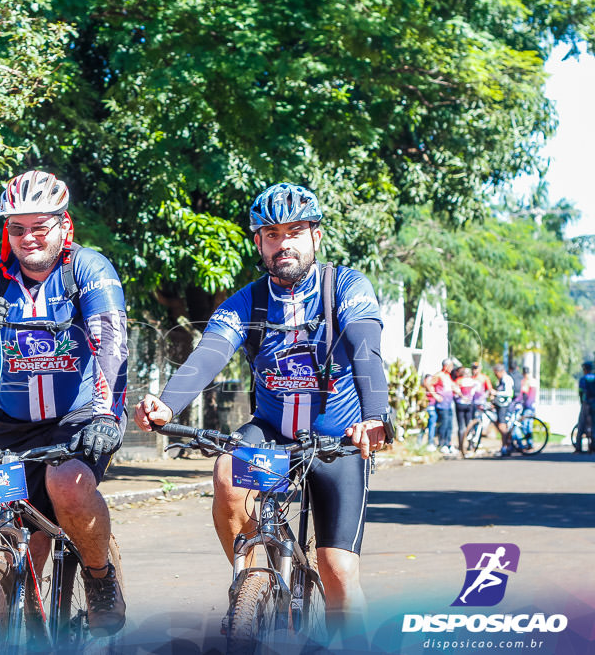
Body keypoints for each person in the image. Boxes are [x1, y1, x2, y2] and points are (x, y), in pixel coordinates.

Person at [132, 183, 392, 635]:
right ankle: (252, 586)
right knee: (227, 474)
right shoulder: (247, 302)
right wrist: (167, 404)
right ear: (259, 242)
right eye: (272, 234)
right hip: (271, 433)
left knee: (338, 573)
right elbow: (208, 354)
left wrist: (376, 415)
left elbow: (366, 350)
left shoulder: (346, 286)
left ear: (315, 236)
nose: (284, 242)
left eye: (295, 231)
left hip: (339, 441)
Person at [0, 170, 129, 635]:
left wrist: (105, 413)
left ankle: (99, 578)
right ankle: (19, 628)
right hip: (14, 423)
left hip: (81, 416)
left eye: (40, 226)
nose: (28, 237)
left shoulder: (88, 269)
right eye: (17, 227)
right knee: (17, 533)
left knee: (67, 484)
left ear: (64, 225)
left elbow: (111, 343)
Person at [432, 359, 459, 454]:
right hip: (442, 405)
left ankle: (448, 444)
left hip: (449, 404)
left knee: (449, 426)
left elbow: (452, 386)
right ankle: (442, 444)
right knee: (443, 425)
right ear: (445, 366)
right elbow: (428, 384)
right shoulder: (438, 375)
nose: (452, 368)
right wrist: (435, 395)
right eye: (451, 366)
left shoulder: (447, 376)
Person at [491, 363, 515, 456]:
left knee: (502, 426)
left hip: (504, 405)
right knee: (499, 424)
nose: (495, 375)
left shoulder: (507, 379)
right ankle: (506, 444)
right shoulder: (500, 380)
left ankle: (505, 446)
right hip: (499, 404)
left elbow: (508, 393)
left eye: (496, 373)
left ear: (500, 371)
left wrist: (496, 393)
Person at [452, 366, 476, 452]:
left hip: (460, 404)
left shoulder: (458, 381)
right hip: (469, 404)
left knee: (461, 426)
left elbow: (455, 390)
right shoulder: (472, 381)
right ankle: (471, 444)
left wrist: (461, 396)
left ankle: (460, 445)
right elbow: (474, 392)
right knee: (469, 424)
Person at [576, 361, 595, 453]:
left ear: (585, 369)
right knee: (593, 425)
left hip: (586, 403)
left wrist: (581, 402)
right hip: (594, 404)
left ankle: (578, 448)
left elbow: (581, 391)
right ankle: (593, 447)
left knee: (581, 424)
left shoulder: (583, 379)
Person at [421, 373, 438, 450]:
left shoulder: (424, 387)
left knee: (427, 427)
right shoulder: (426, 387)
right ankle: (429, 444)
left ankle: (424, 443)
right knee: (429, 427)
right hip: (428, 409)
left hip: (430, 409)